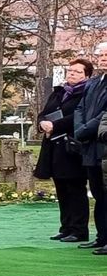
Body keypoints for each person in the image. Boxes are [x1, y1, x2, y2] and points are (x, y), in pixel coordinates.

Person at [36, 58, 92, 244]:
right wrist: (42, 122)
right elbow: (44, 112)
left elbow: (77, 116)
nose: (72, 74)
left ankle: (78, 229)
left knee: (75, 189)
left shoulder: (87, 93)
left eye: (77, 71)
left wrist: (55, 125)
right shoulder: (59, 92)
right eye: (70, 70)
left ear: (87, 75)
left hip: (72, 148)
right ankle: (66, 227)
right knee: (61, 188)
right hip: (54, 147)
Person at [76, 46, 107, 254]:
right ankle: (101, 236)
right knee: (97, 193)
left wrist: (86, 129)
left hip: (103, 143)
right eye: (101, 55)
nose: (103, 58)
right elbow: (81, 108)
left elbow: (104, 115)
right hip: (90, 147)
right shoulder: (95, 82)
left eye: (106, 55)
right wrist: (79, 128)